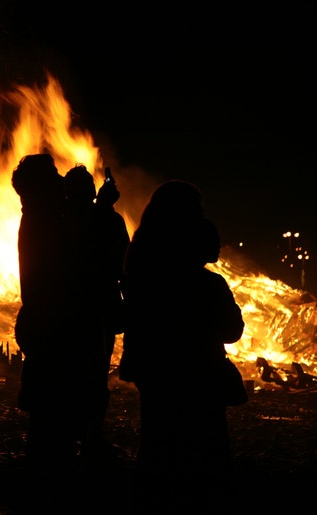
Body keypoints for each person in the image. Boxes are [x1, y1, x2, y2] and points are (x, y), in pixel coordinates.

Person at [119, 180, 245, 514]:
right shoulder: (202, 283)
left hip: (154, 373)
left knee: (158, 450)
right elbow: (231, 330)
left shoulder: (142, 264)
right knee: (203, 456)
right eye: (197, 212)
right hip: (198, 377)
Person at [11, 153, 78, 503]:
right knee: (54, 412)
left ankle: (45, 482)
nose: (59, 180)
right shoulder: (45, 222)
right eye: (52, 175)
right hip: (51, 324)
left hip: (44, 322)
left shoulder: (42, 217)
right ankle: (48, 489)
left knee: (50, 414)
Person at [62, 164, 129, 466]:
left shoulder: (104, 220)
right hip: (84, 305)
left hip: (95, 306)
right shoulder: (66, 220)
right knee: (86, 374)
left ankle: (88, 435)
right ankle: (84, 436)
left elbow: (123, 264)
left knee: (91, 373)